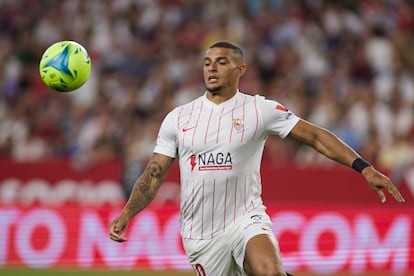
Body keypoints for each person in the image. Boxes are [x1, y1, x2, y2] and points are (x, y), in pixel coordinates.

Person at [109, 41, 405, 276]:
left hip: (245, 218)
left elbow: (314, 136)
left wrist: (364, 168)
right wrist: (127, 213)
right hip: (200, 235)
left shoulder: (259, 110)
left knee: (269, 271)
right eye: (207, 62)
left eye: (222, 62)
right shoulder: (178, 117)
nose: (212, 68)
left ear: (240, 69)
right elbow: (153, 175)